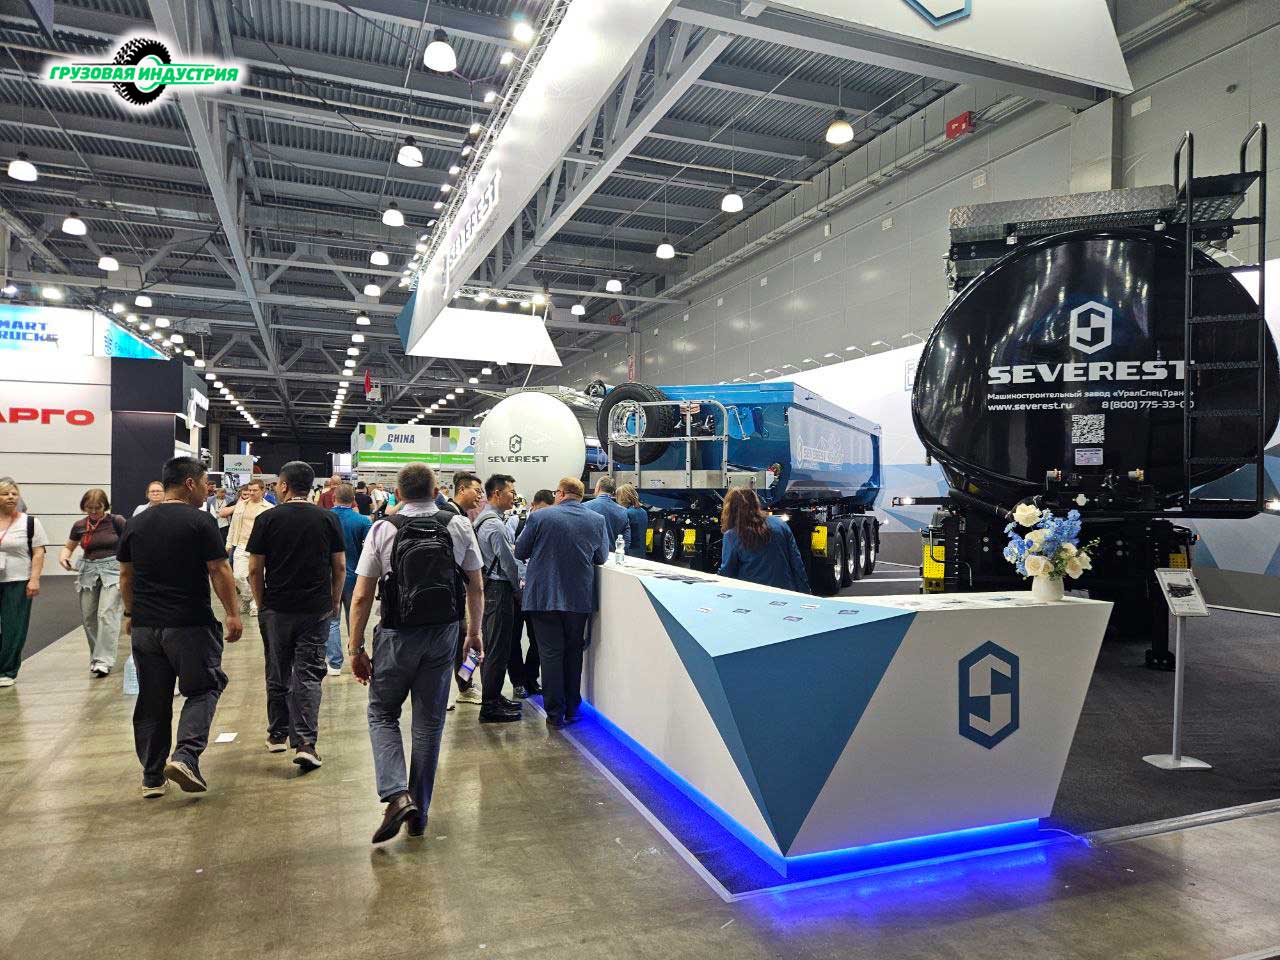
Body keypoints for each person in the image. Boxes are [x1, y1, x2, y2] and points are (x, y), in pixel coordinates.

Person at [348, 462, 485, 844]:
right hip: (443, 634)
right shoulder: (457, 525)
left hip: (396, 634)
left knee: (382, 712)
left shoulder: (383, 529)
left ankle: (397, 794)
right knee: (428, 724)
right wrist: (474, 633)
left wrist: (356, 648)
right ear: (436, 490)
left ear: (398, 493)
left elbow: (361, 595)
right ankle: (418, 813)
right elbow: (475, 586)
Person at [117, 457, 243, 796]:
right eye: (204, 484)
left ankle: (152, 777)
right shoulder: (200, 521)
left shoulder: (136, 523)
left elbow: (126, 575)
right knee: (205, 687)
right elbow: (219, 569)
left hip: (146, 627)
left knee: (152, 699)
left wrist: (130, 614)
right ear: (189, 484)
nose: (207, 490)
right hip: (189, 624)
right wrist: (233, 613)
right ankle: (186, 756)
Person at [247, 461, 345, 770]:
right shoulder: (328, 518)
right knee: (309, 674)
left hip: (277, 609)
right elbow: (340, 566)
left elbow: (254, 569)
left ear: (285, 486)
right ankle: (305, 743)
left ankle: (277, 734)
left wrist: (262, 603)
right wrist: (334, 601)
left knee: (277, 670)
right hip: (316, 609)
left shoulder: (266, 519)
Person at [514, 477, 607, 728]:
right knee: (573, 652)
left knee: (550, 654)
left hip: (543, 597)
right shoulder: (597, 520)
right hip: (578, 597)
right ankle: (573, 708)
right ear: (581, 496)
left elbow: (520, 551)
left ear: (561, 493)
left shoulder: (539, 517)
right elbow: (601, 557)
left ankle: (555, 714)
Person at [59, 489, 126, 677]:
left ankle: (104, 660)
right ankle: (96, 658)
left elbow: (130, 542)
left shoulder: (117, 521)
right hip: (88, 571)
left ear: (105, 506)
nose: (94, 511)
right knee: (89, 617)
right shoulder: (79, 525)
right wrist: (64, 558)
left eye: (98, 507)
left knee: (106, 614)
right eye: (89, 508)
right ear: (83, 507)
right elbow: (68, 547)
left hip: (113, 570)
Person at [472, 474, 523, 723]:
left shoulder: (486, 520)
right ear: (497, 494)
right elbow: (508, 564)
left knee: (496, 645)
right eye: (511, 492)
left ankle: (493, 696)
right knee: (497, 648)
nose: (514, 496)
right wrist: (517, 589)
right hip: (498, 589)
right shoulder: (495, 525)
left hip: (490, 588)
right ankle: (489, 705)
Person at [438, 472, 485, 705]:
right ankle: (448, 691)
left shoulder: (459, 515)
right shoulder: (449, 517)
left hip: (457, 595)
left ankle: (465, 685)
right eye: (477, 491)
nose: (480, 496)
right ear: (462, 489)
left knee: (465, 643)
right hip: (448, 595)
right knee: (454, 645)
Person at [0, 478, 47, 688]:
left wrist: (34, 579)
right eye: (5, 494)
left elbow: (38, 552)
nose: (11, 497)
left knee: (14, 626)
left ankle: (7, 670)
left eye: (14, 493)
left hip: (17, 580)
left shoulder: (30, 523)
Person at [508, 488, 554, 698]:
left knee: (537, 639)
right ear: (533, 505)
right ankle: (517, 681)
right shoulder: (516, 522)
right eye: (541, 509)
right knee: (514, 638)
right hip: (516, 589)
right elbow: (510, 554)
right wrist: (519, 581)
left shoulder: (551, 525)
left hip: (538, 591)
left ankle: (530, 678)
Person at [718, 487, 810, 592]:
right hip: (785, 592)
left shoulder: (732, 535)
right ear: (756, 503)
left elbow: (727, 573)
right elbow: (797, 563)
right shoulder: (780, 524)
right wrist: (805, 592)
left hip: (752, 594)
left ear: (730, 508)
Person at [326, 483, 371, 676]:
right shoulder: (363, 521)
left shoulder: (324, 518)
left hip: (329, 575)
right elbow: (370, 550)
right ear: (353, 500)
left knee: (332, 620)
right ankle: (356, 654)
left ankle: (334, 663)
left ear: (333, 498)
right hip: (355, 576)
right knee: (354, 617)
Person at [226, 479, 273, 615]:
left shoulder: (269, 508)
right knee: (238, 576)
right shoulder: (241, 505)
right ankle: (248, 597)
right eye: (250, 490)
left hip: (260, 548)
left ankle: (254, 605)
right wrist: (229, 543)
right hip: (241, 545)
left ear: (263, 490)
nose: (251, 493)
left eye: (255, 490)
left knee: (257, 576)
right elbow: (233, 526)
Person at [584, 476, 630, 553]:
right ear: (613, 491)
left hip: (589, 556)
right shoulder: (623, 511)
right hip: (612, 556)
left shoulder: (584, 507)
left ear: (598, 488)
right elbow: (626, 541)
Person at [616, 483, 649, 560]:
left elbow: (623, 535)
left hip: (629, 553)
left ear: (623, 498)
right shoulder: (643, 512)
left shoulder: (626, 513)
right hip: (641, 552)